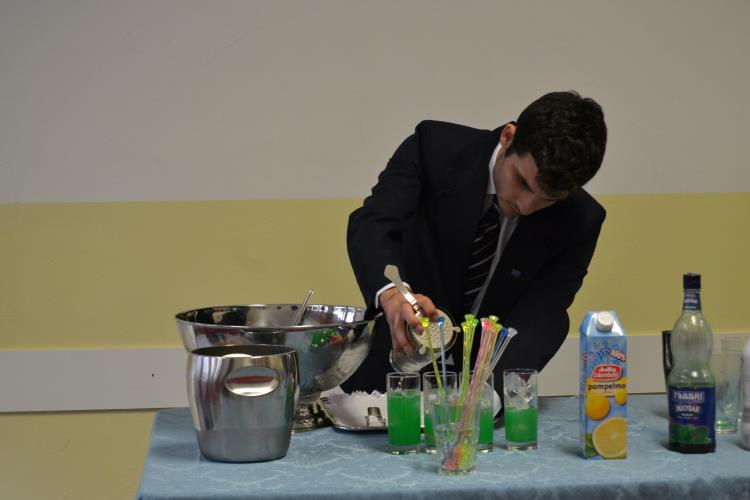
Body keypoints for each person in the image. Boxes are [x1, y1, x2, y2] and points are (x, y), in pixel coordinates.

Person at [341, 91, 608, 398]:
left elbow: (542, 314)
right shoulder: (434, 148)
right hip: (393, 372)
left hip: (486, 386)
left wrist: (485, 401)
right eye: (522, 182)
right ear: (508, 137)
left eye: (548, 199)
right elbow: (373, 225)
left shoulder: (580, 220)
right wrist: (391, 295)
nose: (526, 206)